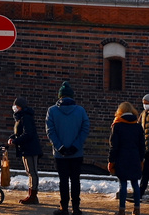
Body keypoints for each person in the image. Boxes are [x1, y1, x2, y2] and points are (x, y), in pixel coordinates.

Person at [46, 81, 91, 215]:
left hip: (60, 154)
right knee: (75, 180)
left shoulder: (52, 111)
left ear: (60, 96)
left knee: (63, 180)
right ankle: (76, 208)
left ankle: (63, 207)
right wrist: (76, 146)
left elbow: (50, 131)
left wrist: (60, 147)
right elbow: (85, 128)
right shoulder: (80, 110)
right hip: (77, 153)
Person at [108, 101, 147, 215]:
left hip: (122, 157)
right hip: (134, 157)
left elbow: (113, 146)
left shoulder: (117, 126)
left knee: (123, 184)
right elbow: (142, 145)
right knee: (135, 183)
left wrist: (111, 161)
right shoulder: (137, 126)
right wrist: (141, 159)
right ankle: (137, 208)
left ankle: (122, 209)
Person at [8, 94, 43, 205]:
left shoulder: (25, 117)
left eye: (16, 105)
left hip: (30, 148)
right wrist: (13, 137)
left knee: (32, 172)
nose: (14, 107)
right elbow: (20, 133)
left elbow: (28, 134)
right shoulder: (21, 117)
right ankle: (31, 194)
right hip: (26, 148)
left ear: (20, 107)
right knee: (30, 172)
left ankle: (33, 195)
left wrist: (15, 141)